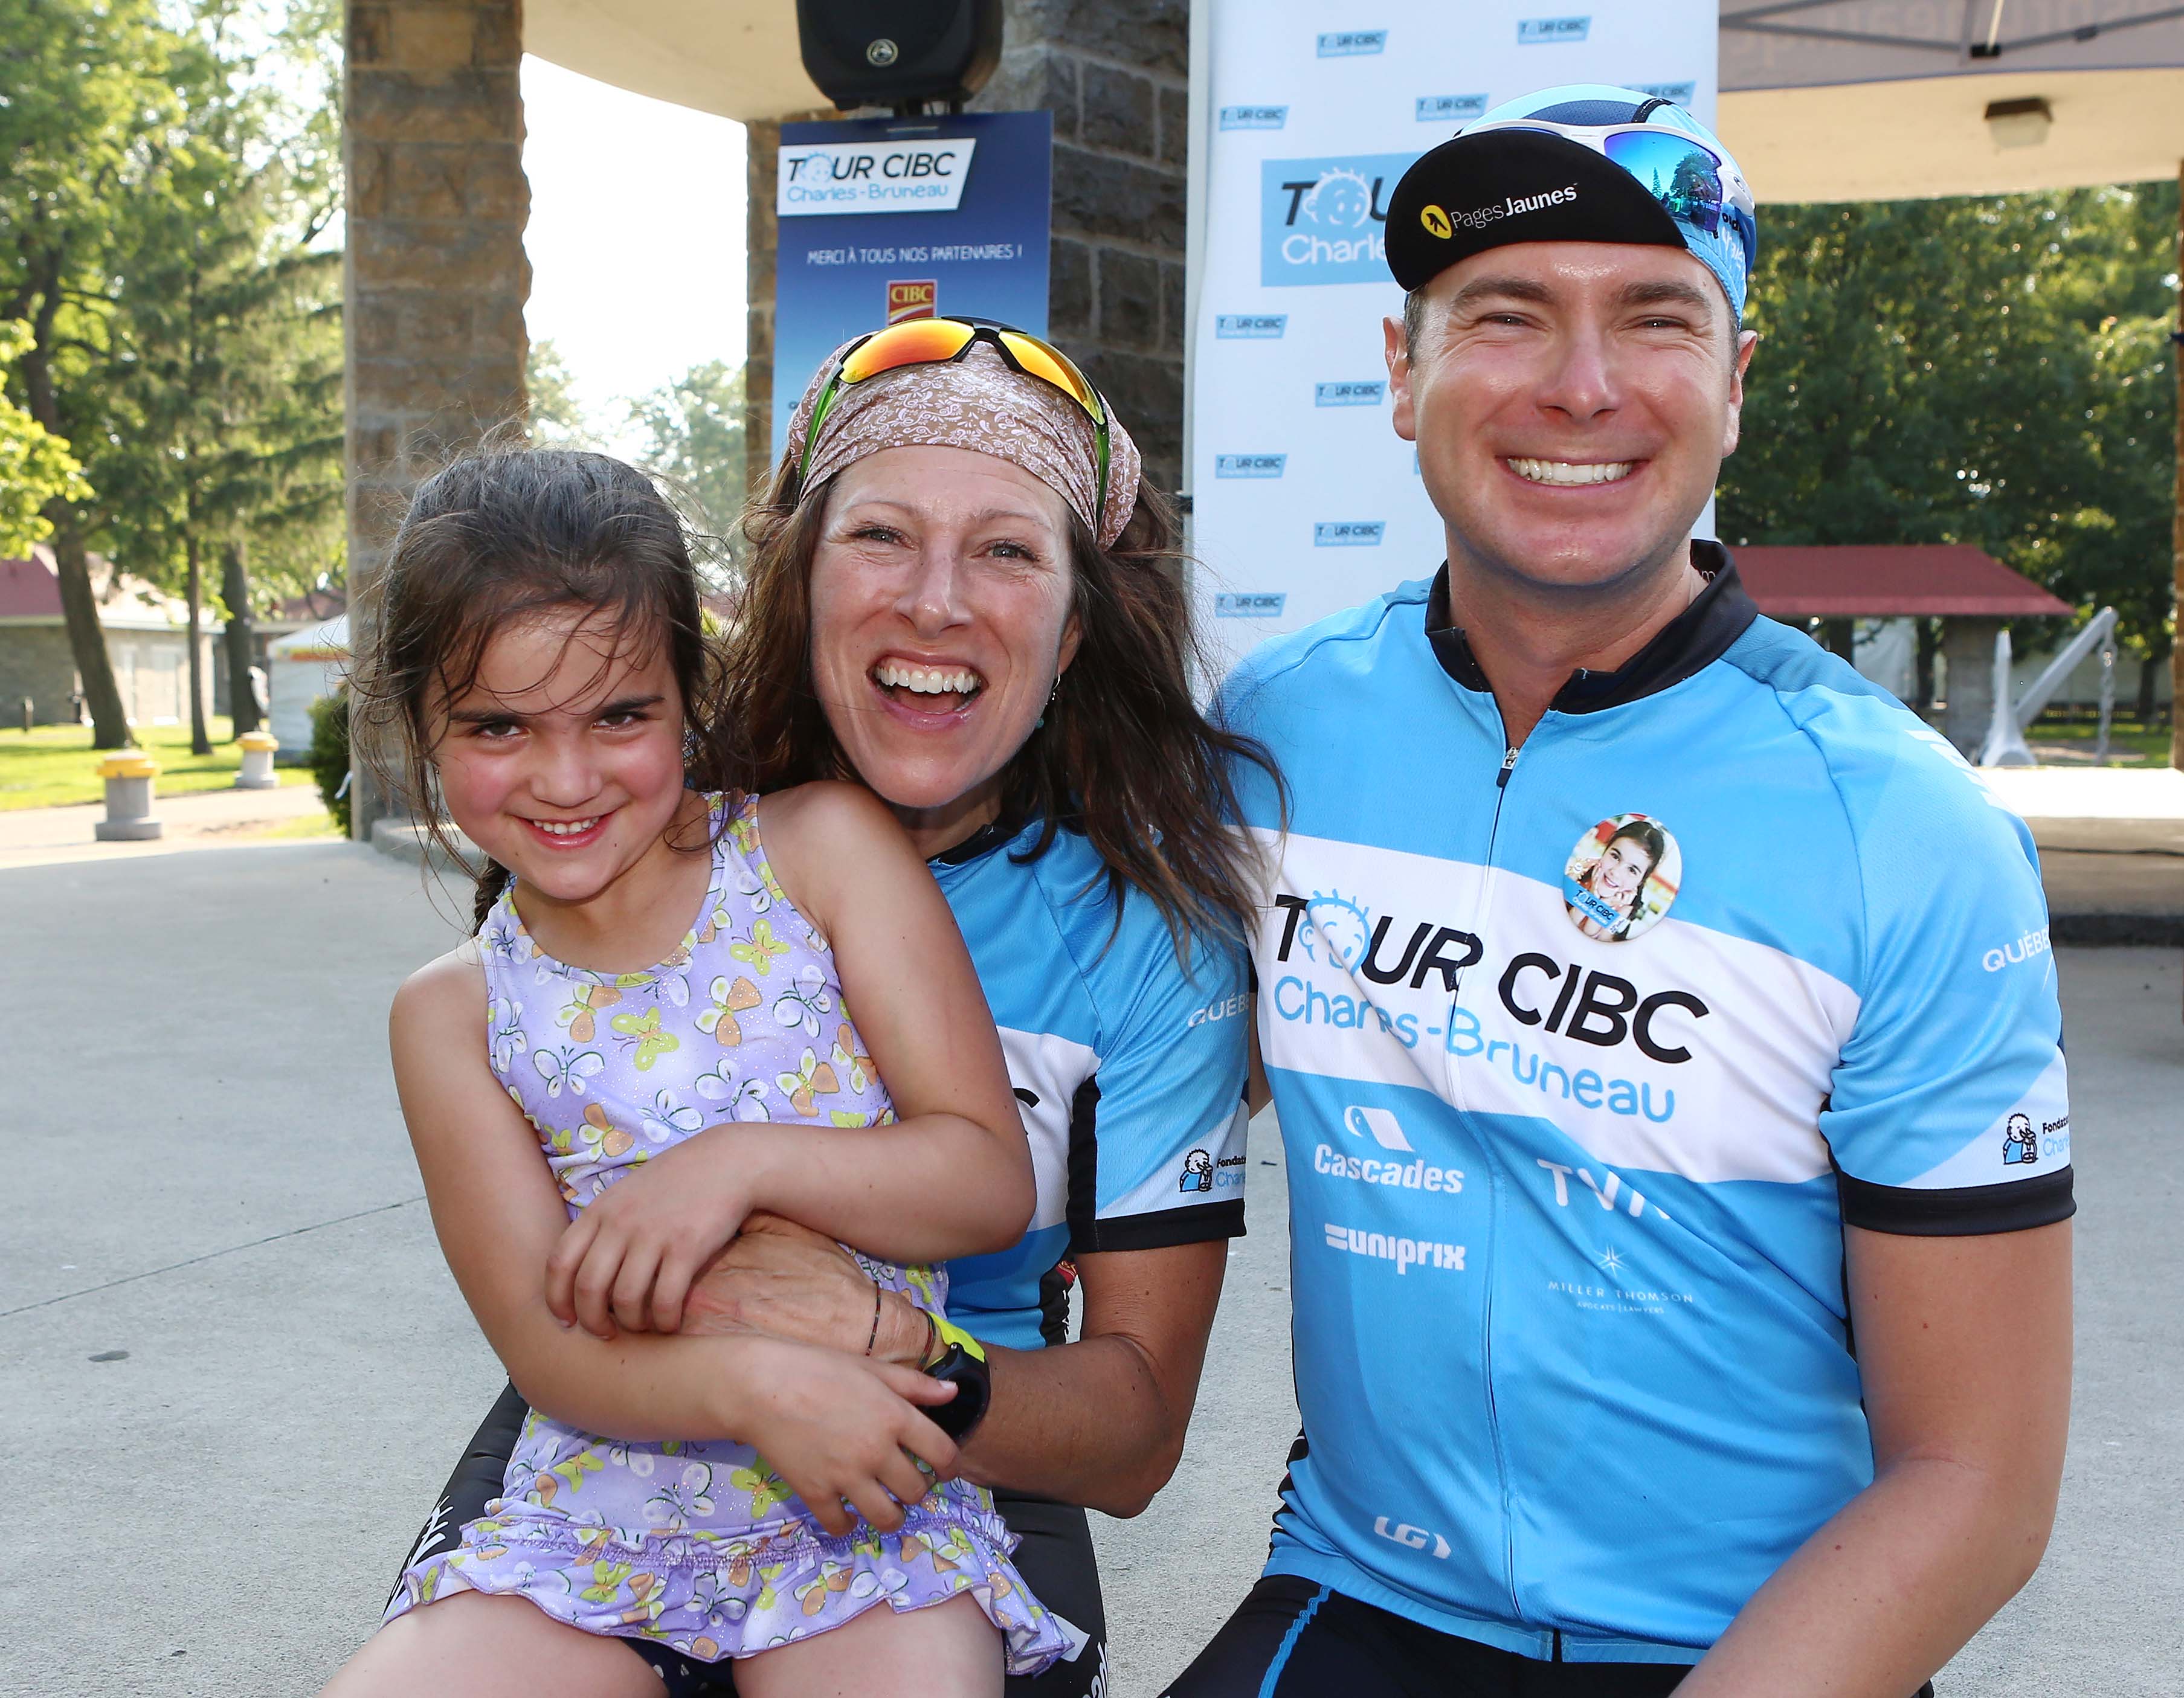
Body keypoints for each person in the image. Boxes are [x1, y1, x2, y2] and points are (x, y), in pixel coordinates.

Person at [1170, 87, 2074, 1697]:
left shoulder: (1902, 826)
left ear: (1732, 383)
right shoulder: (1272, 734)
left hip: (1757, 1639)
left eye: (1654, 318)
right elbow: (1099, 1077)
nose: (1579, 385)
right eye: (1504, 314)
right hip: (1365, 1583)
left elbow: (1975, 1481)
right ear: (1400, 373)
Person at [395, 323, 1281, 1697]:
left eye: (1005, 549)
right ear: (798, 581)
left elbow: (1136, 1435)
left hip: (950, 1428)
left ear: (1074, 624)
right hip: (627, 1423)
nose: (935, 602)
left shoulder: (1148, 945)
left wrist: (883, 1342)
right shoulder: (634, 810)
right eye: (881, 535)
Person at [323, 447, 1073, 1695]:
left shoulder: (819, 854)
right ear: (420, 728)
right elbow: (549, 1352)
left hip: (862, 1505)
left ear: (689, 696)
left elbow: (987, 1179)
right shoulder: (452, 1014)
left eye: (620, 715)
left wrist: (736, 1165)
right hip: (593, 1521)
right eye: (500, 725)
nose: (566, 778)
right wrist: (757, 1384)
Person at [1564, 814, 1670, 941]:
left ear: (1641, 881)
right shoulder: (1580, 871)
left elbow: (1595, 939)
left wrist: (1604, 904)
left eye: (1632, 870)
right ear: (1605, 851)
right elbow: (1563, 920)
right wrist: (1592, 895)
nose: (1616, 872)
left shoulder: (1625, 910)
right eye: (1615, 857)